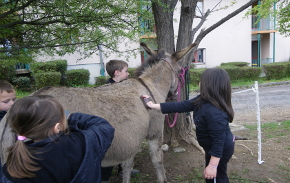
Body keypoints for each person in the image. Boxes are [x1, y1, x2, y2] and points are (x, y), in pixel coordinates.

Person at [142, 68, 235, 183]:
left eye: (202, 81)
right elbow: (182, 105)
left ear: (211, 86)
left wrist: (212, 166)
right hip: (211, 148)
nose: (199, 83)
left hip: (219, 150)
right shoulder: (202, 100)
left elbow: (218, 143)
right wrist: (154, 105)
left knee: (216, 177)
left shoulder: (215, 114)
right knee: (215, 177)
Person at [1, 95, 115, 183]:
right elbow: (104, 127)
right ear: (57, 127)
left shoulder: (13, 165)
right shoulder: (82, 142)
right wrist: (71, 117)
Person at [101, 59, 139, 183]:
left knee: (123, 149)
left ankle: (122, 170)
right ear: (117, 73)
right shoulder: (107, 89)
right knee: (111, 151)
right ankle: (104, 178)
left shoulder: (122, 86)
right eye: (126, 71)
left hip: (123, 123)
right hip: (111, 125)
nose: (128, 74)